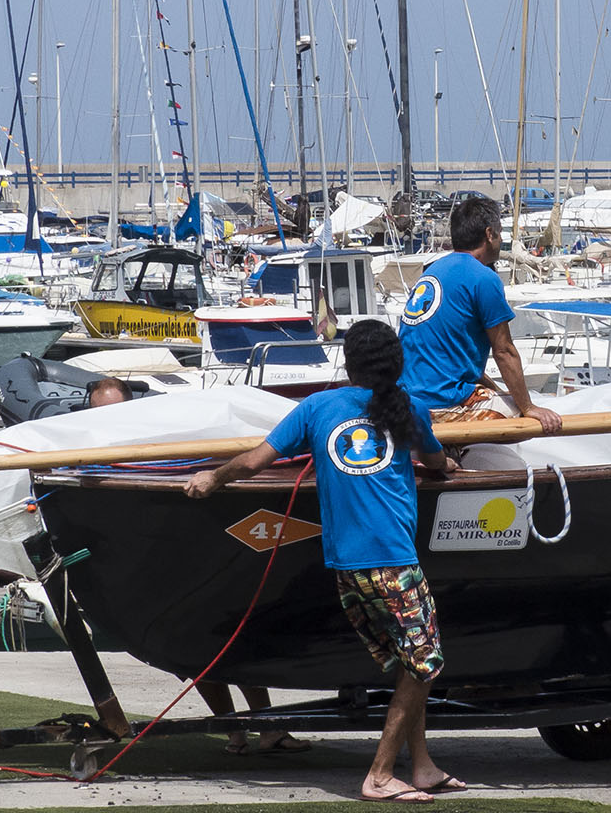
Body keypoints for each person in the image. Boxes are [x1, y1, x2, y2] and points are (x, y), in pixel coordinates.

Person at [185, 320, 460, 803]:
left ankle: (422, 765)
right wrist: (445, 466)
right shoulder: (412, 409)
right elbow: (436, 461)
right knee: (425, 665)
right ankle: (378, 776)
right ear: (397, 364)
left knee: (409, 664)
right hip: (392, 561)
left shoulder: (316, 407)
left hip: (348, 568)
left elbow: (252, 461)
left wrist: (213, 478)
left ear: (348, 364)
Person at [86, 376, 308, 754]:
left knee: (235, 637)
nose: (110, 419)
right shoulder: (86, 448)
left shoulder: (163, 435)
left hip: (195, 554)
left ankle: (267, 726)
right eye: (99, 413)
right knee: (189, 652)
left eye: (117, 410)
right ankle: (233, 730)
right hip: (150, 567)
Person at [399, 196, 563, 432]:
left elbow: (446, 356)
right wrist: (528, 407)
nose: (501, 239)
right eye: (499, 232)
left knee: (503, 395)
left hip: (407, 399)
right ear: (489, 234)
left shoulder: (432, 272)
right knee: (525, 423)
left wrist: (494, 388)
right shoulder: (483, 277)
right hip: (441, 404)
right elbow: (504, 351)